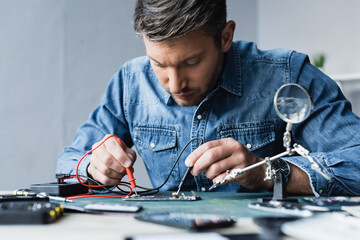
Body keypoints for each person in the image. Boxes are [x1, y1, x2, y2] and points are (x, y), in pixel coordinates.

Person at [56, 0, 360, 196]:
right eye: (159, 64)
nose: (174, 84)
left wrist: (266, 172)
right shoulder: (129, 82)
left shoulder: (289, 76)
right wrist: (93, 165)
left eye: (191, 62)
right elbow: (69, 162)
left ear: (225, 37)